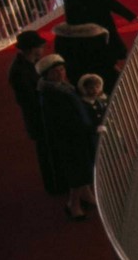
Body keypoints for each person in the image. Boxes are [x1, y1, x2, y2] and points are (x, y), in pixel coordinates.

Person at [36, 54, 97, 221]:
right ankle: (73, 204)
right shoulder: (51, 93)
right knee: (77, 172)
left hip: (78, 134)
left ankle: (86, 194)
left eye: (61, 69)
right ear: (47, 74)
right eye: (55, 71)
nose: (60, 73)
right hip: (69, 138)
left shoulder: (62, 87)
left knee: (84, 168)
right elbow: (62, 119)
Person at [62, 0, 137, 75]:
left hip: (86, 31)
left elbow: (70, 18)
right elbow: (114, 5)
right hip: (104, 26)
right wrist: (132, 17)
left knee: (95, 53)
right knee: (109, 50)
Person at [8, 30, 54, 192]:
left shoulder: (31, 64)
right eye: (40, 46)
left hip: (42, 114)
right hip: (38, 117)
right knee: (45, 151)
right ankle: (53, 185)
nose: (42, 49)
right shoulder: (20, 72)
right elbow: (28, 100)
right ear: (32, 49)